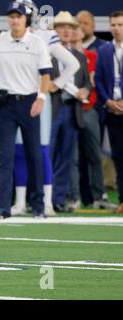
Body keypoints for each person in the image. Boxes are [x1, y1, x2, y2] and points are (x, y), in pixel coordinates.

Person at [0, 1, 52, 219]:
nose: (15, 19)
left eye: (19, 16)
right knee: (5, 157)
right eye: (12, 16)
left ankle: (38, 206)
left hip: (29, 102)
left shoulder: (37, 43)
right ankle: (3, 208)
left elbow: (46, 75)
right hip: (5, 103)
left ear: (27, 18)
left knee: (34, 155)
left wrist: (40, 98)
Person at [9, 0, 80, 217]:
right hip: (16, 99)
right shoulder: (8, 36)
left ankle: (46, 202)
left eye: (21, 14)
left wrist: (54, 85)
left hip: (39, 99)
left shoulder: (45, 36)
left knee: (40, 150)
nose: (17, 18)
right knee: (20, 152)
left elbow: (73, 64)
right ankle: (20, 202)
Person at [69, 25, 117, 211]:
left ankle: (100, 195)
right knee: (72, 158)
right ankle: (74, 196)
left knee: (95, 155)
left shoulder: (93, 56)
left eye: (76, 29)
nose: (73, 32)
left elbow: (99, 81)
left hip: (89, 109)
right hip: (71, 109)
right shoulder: (61, 54)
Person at [49, 11, 91, 213]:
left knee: (66, 158)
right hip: (52, 108)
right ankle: (42, 199)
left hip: (72, 109)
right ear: (54, 30)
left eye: (70, 27)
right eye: (61, 27)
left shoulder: (80, 57)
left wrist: (85, 90)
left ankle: (58, 199)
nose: (66, 31)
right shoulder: (48, 53)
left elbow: (87, 83)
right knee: (46, 155)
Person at [95, 11, 123, 214]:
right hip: (112, 112)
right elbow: (100, 81)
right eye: (113, 24)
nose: (116, 28)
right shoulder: (104, 51)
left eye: (120, 25)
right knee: (118, 157)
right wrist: (108, 101)